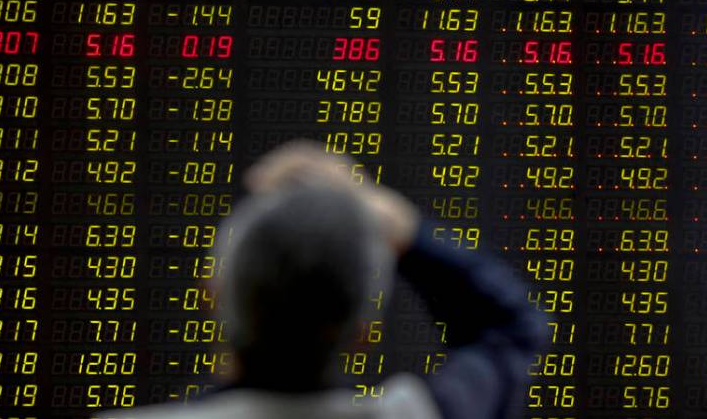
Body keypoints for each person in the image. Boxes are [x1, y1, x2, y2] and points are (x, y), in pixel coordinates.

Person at [94, 141, 548, 419]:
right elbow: (511, 329)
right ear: (366, 330)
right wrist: (393, 219)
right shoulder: (416, 415)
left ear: (210, 297)